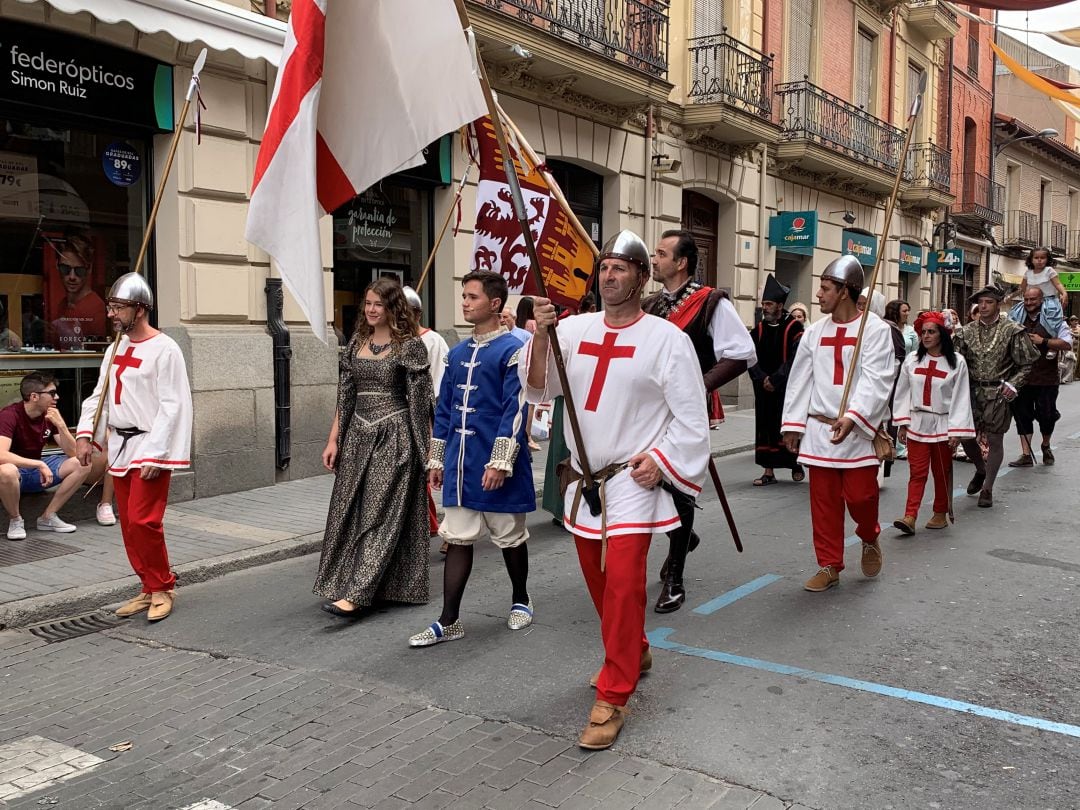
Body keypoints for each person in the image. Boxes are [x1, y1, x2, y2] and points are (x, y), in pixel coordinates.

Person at [523, 230, 710, 750]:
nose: (609, 275)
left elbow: (690, 417)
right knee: (599, 583)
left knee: (625, 583)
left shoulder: (666, 339)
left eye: (621, 267)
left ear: (641, 277)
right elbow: (540, 388)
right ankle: (635, 648)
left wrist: (662, 460)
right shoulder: (574, 329)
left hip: (632, 480)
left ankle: (615, 691)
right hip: (584, 481)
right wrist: (540, 336)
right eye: (603, 267)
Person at [411, 271, 535, 648]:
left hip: (498, 463)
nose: (464, 303)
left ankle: (521, 598)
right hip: (460, 466)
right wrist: (436, 460)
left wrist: (500, 462)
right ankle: (449, 620)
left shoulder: (513, 348)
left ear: (494, 304)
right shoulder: (457, 353)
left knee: (510, 537)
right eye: (463, 296)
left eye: (472, 297)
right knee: (458, 537)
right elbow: (445, 410)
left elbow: (515, 409)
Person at [644, 229, 756, 613]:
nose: (654, 259)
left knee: (679, 485)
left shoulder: (711, 303)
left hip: (688, 411)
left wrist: (697, 387)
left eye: (661, 253)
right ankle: (683, 536)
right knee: (649, 482)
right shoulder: (652, 305)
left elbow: (740, 354)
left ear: (681, 263)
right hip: (652, 410)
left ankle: (675, 579)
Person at [75, 273, 192, 622]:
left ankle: (162, 586)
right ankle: (147, 586)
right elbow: (102, 398)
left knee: (144, 520)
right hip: (120, 445)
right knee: (128, 523)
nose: (111, 314)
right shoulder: (115, 348)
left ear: (139, 309)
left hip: (149, 444)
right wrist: (85, 435)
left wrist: (158, 453)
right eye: (111, 307)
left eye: (118, 307)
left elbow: (174, 405)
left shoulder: (165, 349)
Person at [314, 278, 433, 618]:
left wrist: (425, 451)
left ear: (393, 307)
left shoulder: (410, 346)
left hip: (394, 437)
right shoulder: (356, 343)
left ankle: (358, 593)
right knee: (350, 512)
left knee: (381, 515)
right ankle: (361, 582)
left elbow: (421, 402)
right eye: (367, 303)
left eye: (378, 304)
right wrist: (334, 438)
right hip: (357, 438)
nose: (370, 309)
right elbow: (345, 396)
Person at [781, 256, 896, 592]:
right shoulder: (814, 333)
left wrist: (854, 416)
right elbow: (800, 380)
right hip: (820, 431)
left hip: (857, 431)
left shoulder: (874, 330)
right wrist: (793, 425)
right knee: (824, 504)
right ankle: (829, 564)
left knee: (861, 497)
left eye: (826, 288)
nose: (818, 294)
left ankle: (869, 534)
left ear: (845, 291)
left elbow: (878, 379)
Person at [952, 284, 1039, 508]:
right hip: (970, 391)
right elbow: (954, 363)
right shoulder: (965, 332)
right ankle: (981, 469)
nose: (983, 306)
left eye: (988, 302)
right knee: (966, 436)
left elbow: (1027, 363)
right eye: (980, 302)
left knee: (994, 438)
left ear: (998, 304)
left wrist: (1013, 384)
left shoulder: (1013, 330)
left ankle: (988, 488)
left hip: (999, 392)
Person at [891, 312, 974, 534]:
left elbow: (961, 397)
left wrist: (956, 430)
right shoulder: (913, 360)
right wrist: (902, 422)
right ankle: (910, 516)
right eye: (923, 332)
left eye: (931, 332)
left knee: (940, 470)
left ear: (942, 335)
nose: (926, 336)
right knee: (917, 472)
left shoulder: (957, 362)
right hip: (917, 422)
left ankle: (940, 513)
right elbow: (902, 392)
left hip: (943, 424)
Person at [0, 372, 93, 539]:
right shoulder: (9, 415)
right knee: (6, 470)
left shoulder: (50, 415)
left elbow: (75, 454)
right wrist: (39, 464)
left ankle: (48, 517)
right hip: (14, 475)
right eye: (51, 393)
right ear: (34, 396)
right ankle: (15, 519)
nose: (56, 397)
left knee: (83, 464)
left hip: (37, 472)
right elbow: (1, 455)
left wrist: (62, 426)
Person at [1006, 287, 1072, 468]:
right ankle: (1026, 454)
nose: (1028, 303)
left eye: (1033, 300)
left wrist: (1044, 341)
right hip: (1022, 378)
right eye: (1026, 299)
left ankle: (1045, 445)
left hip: (1046, 378)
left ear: (1041, 300)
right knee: (1022, 415)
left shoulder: (1054, 320)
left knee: (1047, 415)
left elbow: (1067, 344)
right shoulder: (1016, 319)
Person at [748, 274, 804, 486]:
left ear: (780, 305)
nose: (765, 308)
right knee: (765, 427)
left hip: (785, 388)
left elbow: (796, 359)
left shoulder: (794, 328)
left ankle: (795, 463)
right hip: (763, 388)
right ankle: (768, 471)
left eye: (769, 304)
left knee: (786, 426)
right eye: (763, 304)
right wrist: (761, 378)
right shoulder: (759, 329)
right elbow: (749, 356)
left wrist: (777, 379)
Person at [403, 286, 449, 540]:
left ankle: (431, 524)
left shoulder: (433, 341)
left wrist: (435, 429)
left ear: (417, 314)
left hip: (423, 417)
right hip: (397, 418)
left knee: (420, 477)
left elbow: (440, 387)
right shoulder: (392, 341)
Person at [48, 235, 108, 351]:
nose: (72, 277)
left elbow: (96, 353)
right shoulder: (62, 305)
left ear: (89, 269)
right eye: (65, 269)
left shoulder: (96, 308)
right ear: (57, 265)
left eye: (79, 271)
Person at [1018, 246, 1068, 334]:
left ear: (1047, 259)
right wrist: (1009, 296)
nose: (1039, 260)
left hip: (1048, 301)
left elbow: (1058, 284)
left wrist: (1064, 293)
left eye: (1042, 258)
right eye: (1036, 258)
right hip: (1031, 302)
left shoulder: (1049, 271)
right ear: (1031, 260)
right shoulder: (1028, 272)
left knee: (1051, 322)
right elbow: (1021, 288)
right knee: (1015, 315)